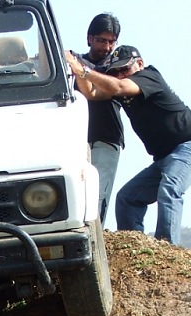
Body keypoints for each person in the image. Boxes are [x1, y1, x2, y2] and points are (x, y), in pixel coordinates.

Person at [66, 45, 191, 245]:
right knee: (127, 198)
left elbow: (117, 87)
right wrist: (76, 68)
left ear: (140, 64)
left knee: (169, 188)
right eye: (116, 72)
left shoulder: (149, 76)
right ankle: (135, 248)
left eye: (125, 69)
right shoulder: (122, 90)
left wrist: (82, 69)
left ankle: (168, 249)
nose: (121, 75)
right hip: (165, 158)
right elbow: (92, 93)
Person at [76, 14, 124, 226]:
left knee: (97, 195)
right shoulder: (72, 60)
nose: (106, 47)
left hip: (106, 138)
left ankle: (97, 244)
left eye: (111, 41)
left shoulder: (118, 68)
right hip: (76, 139)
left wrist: (80, 70)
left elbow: (95, 91)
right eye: (101, 40)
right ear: (90, 38)